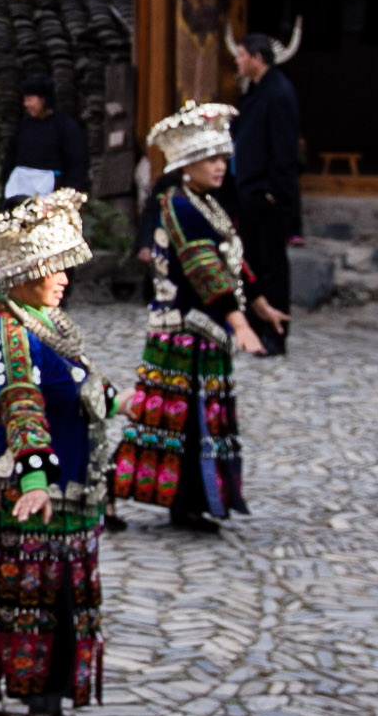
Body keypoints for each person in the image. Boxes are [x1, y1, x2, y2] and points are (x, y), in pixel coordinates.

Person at [0, 190, 118, 716]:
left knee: (24, 593)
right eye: (52, 267)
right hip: (30, 492)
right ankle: (41, 710)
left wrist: (116, 402)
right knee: (36, 597)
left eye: (65, 266)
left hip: (64, 489)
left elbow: (79, 388)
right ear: (21, 274)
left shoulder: (48, 324)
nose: (63, 277)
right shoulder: (11, 336)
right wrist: (37, 479)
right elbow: (22, 403)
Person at [112, 102, 269, 535]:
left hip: (205, 327)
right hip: (182, 330)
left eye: (223, 159)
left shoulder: (205, 204)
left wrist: (258, 303)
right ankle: (118, 490)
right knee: (169, 420)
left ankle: (192, 503)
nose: (221, 167)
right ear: (189, 164)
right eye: (212, 160)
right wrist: (239, 322)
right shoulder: (178, 205)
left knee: (191, 421)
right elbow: (205, 269)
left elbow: (231, 259)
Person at [228, 32, 302, 358]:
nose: (237, 60)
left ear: (258, 57)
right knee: (252, 265)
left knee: (272, 267)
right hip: (248, 192)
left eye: (242, 55)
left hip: (267, 194)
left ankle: (276, 333)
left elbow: (284, 150)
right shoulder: (256, 92)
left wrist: (274, 192)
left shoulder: (279, 93)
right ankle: (255, 330)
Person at [0, 75, 90, 204]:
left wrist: (69, 194)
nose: (26, 104)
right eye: (25, 100)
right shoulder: (24, 127)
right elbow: (10, 157)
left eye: (30, 99)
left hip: (52, 191)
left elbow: (76, 164)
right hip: (19, 190)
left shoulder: (66, 126)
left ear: (44, 99)